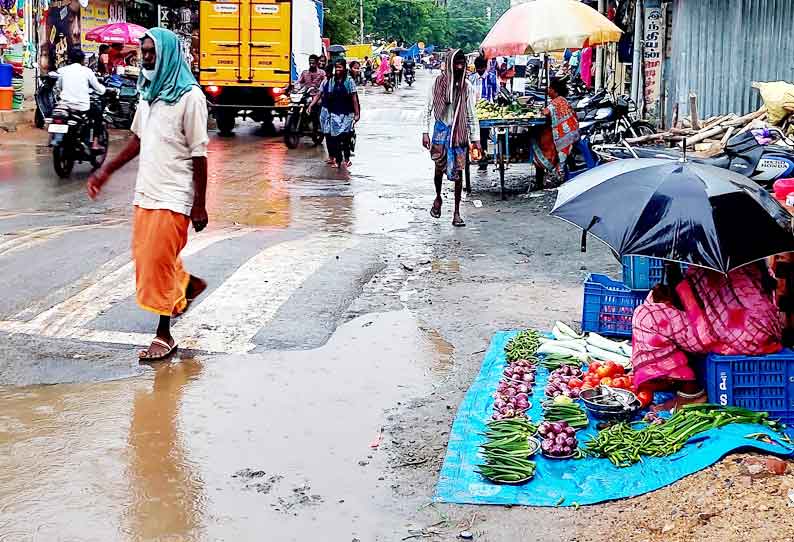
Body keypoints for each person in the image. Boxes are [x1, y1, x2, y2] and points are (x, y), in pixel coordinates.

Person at [86, 28, 209, 361]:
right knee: (148, 260)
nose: (147, 58)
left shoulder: (191, 98)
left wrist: (199, 204)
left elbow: (199, 154)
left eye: (152, 52)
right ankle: (187, 286)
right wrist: (106, 171)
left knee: (158, 261)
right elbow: (138, 141)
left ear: (168, 54)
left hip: (175, 194)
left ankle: (164, 335)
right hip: (147, 191)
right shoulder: (148, 94)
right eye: (144, 53)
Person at [632, 263, 783, 411]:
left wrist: (674, 276)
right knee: (655, 301)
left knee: (646, 317)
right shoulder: (745, 256)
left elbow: (693, 306)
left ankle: (691, 392)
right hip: (763, 329)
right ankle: (678, 374)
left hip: (739, 334)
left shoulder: (710, 258)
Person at [422, 49, 481, 228]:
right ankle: (438, 197)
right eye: (456, 63)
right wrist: (425, 132)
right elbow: (428, 108)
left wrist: (476, 138)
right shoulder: (437, 84)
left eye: (462, 63)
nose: (460, 66)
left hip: (459, 131)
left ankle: (456, 212)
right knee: (439, 168)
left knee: (459, 171)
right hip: (441, 130)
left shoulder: (467, 87)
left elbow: (471, 114)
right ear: (449, 64)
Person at [531, 78, 579, 187]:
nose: (548, 90)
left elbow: (545, 113)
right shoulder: (563, 100)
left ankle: (544, 174)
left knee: (541, 143)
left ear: (555, 91)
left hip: (565, 135)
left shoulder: (556, 102)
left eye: (550, 88)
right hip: (572, 133)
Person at [57, 47, 107, 150]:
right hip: (82, 106)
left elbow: (59, 87)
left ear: (69, 59)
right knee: (97, 114)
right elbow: (99, 88)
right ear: (82, 60)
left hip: (64, 105)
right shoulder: (87, 71)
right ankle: (95, 143)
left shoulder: (62, 70)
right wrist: (105, 90)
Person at [320, 58, 360, 169]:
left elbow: (354, 98)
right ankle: (338, 161)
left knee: (345, 138)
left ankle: (346, 159)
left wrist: (357, 114)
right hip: (334, 113)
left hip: (347, 113)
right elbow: (327, 96)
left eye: (340, 67)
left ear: (344, 68)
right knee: (335, 138)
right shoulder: (331, 81)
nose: (338, 69)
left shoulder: (349, 81)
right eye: (336, 67)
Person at [468, 55, 498, 171]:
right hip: (473, 110)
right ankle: (477, 155)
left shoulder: (491, 78)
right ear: (476, 67)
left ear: (485, 67)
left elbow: (496, 93)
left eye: (482, 68)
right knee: (474, 136)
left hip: (487, 111)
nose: (480, 70)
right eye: (478, 68)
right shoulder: (471, 78)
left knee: (483, 136)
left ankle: (483, 159)